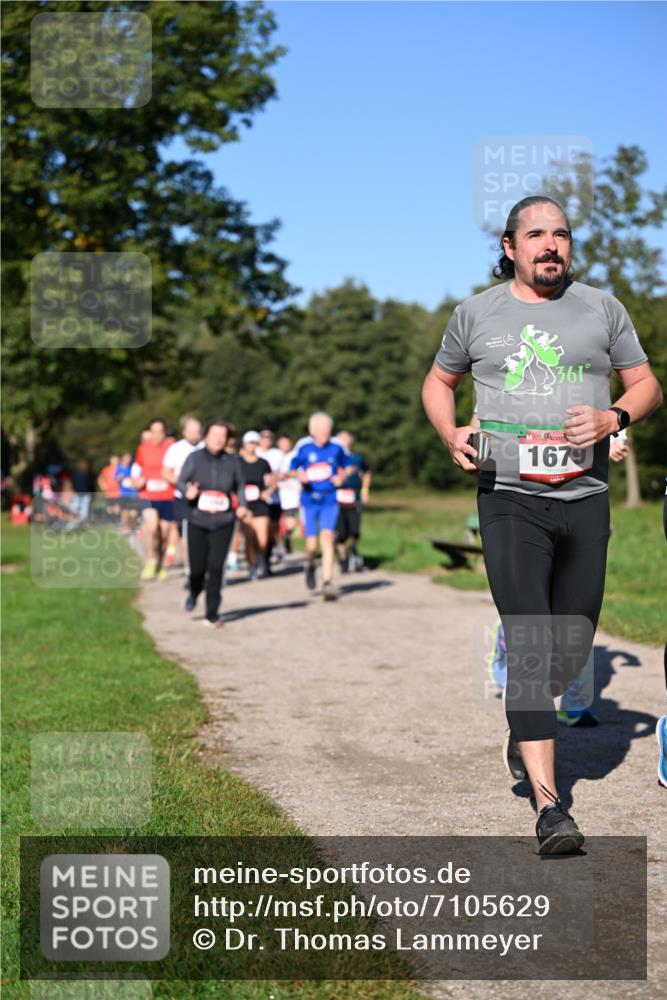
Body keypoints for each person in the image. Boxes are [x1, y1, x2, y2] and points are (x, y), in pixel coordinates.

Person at [422, 195, 662, 855]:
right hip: (506, 495)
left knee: (570, 642)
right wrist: (451, 434)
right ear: (509, 247)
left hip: (584, 494)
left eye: (559, 234)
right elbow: (437, 384)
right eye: (535, 235)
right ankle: (551, 809)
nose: (549, 245)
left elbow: (645, 384)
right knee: (530, 642)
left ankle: (521, 723)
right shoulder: (475, 314)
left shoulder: (601, 309)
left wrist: (614, 417)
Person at [177, 420, 247, 628]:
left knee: (216, 567)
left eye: (222, 435)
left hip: (224, 520)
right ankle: (194, 591)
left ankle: (212, 613)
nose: (218, 439)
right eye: (214, 434)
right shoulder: (195, 458)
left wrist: (242, 505)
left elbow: (240, 485)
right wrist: (187, 491)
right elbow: (181, 482)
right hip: (197, 519)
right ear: (205, 436)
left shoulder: (233, 461)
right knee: (197, 568)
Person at [289, 412, 348, 601]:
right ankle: (310, 563)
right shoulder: (304, 448)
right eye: (321, 430)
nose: (325, 433)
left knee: (327, 538)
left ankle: (327, 581)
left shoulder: (336, 448)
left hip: (329, 499)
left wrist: (342, 477)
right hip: (309, 501)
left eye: (327, 430)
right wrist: (299, 476)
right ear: (312, 431)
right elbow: (291, 469)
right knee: (312, 545)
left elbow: (348, 466)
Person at [132, 419, 176, 581]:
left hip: (167, 495)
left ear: (164, 432)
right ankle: (150, 561)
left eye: (160, 431)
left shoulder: (172, 448)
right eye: (154, 431)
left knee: (164, 534)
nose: (157, 435)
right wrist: (136, 480)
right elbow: (136, 468)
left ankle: (161, 563)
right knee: (152, 528)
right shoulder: (143, 448)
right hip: (148, 494)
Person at [162, 415, 203, 569]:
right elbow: (165, 473)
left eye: (198, 432)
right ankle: (189, 570)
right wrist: (183, 486)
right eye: (192, 432)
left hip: (205, 498)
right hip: (183, 499)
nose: (195, 435)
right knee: (187, 535)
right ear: (184, 432)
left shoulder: (206, 447)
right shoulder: (176, 449)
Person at [238, 431, 276, 579]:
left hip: (260, 504)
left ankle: (262, 561)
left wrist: (269, 491)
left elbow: (272, 482)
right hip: (245, 505)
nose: (252, 445)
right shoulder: (238, 463)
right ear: (244, 444)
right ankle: (251, 565)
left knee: (262, 539)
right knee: (249, 538)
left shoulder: (263, 463)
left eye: (255, 442)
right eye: (249, 442)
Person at [334, 430, 371, 572]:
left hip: (354, 498)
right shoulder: (333, 458)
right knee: (341, 534)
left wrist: (365, 490)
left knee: (355, 531)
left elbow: (367, 473)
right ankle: (343, 560)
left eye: (346, 441)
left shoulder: (357, 458)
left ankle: (353, 549)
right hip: (337, 500)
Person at [257, 428, 285, 563]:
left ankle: (268, 555)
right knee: (261, 530)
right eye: (263, 437)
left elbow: (284, 473)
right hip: (257, 499)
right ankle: (261, 560)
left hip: (274, 498)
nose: (266, 439)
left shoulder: (277, 454)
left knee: (272, 529)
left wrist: (276, 481)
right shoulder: (254, 452)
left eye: (269, 437)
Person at [276, 434, 300, 553]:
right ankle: (277, 543)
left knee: (290, 521)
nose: (285, 445)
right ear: (278, 444)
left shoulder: (295, 456)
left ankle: (287, 537)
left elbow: (300, 473)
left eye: (287, 442)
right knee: (275, 522)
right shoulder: (273, 455)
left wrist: (288, 475)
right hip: (276, 493)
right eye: (283, 442)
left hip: (291, 493)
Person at [115, 450, 139, 535]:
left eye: (129, 457)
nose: (127, 459)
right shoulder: (119, 468)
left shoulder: (133, 467)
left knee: (133, 512)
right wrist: (119, 478)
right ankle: (125, 527)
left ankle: (132, 526)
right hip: (124, 494)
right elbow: (116, 479)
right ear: (123, 458)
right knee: (124, 511)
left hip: (133, 493)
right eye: (126, 457)